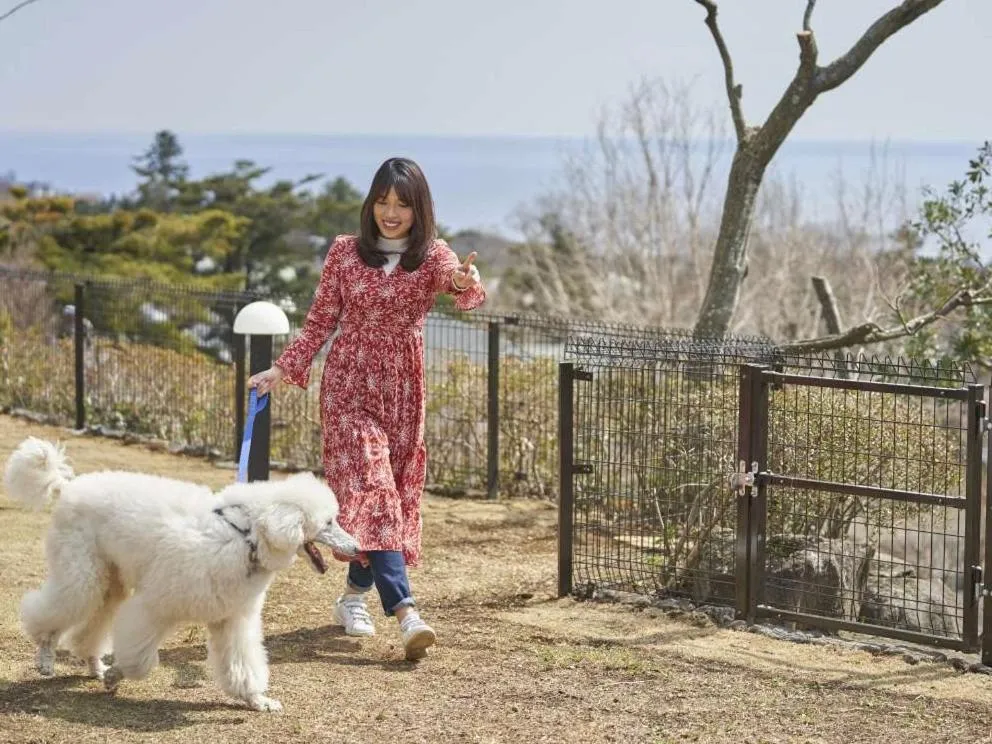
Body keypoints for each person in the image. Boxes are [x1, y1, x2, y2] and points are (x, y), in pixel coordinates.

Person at [248, 157, 485, 661]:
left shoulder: (434, 256)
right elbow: (319, 321)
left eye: (402, 204)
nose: (390, 213)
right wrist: (282, 369)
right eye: (382, 201)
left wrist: (464, 281)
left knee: (385, 500)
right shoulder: (344, 252)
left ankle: (353, 597)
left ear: (419, 209)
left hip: (403, 392)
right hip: (349, 387)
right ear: (370, 203)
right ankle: (406, 613)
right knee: (375, 491)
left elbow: (462, 289)